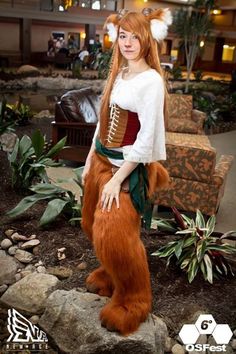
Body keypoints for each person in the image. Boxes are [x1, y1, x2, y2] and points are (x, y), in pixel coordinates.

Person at [81, 7, 172, 335]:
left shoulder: (151, 81)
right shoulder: (120, 74)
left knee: (116, 235)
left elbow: (147, 137)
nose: (129, 42)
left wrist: (117, 179)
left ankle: (135, 300)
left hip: (125, 168)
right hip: (102, 162)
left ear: (148, 39)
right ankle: (111, 273)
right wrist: (90, 161)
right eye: (123, 35)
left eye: (136, 36)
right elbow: (103, 122)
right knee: (91, 224)